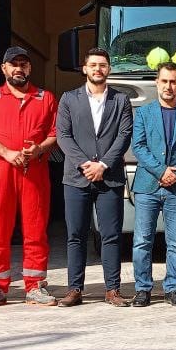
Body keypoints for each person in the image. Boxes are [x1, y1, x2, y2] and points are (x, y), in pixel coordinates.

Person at [0, 47, 58, 308]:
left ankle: (35, 285)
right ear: (4, 68)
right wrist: (6, 153)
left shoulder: (45, 98)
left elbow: (56, 133)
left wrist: (39, 149)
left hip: (34, 172)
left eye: (23, 64)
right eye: (13, 64)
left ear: (30, 68)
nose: (19, 68)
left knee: (36, 229)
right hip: (0, 172)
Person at [56, 47, 133, 307]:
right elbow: (63, 136)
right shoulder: (69, 99)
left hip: (109, 177)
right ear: (85, 69)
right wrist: (85, 164)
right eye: (93, 65)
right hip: (76, 178)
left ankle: (112, 290)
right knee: (76, 235)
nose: (98, 69)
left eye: (102, 65)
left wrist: (103, 164)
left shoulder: (120, 100)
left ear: (108, 69)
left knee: (111, 235)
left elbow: (124, 135)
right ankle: (75, 289)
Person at [130, 61, 176, 307]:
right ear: (157, 82)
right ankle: (143, 289)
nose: (168, 86)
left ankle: (172, 288)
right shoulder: (143, 113)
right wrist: (162, 171)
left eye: (173, 81)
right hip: (148, 186)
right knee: (142, 240)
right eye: (164, 81)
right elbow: (138, 146)